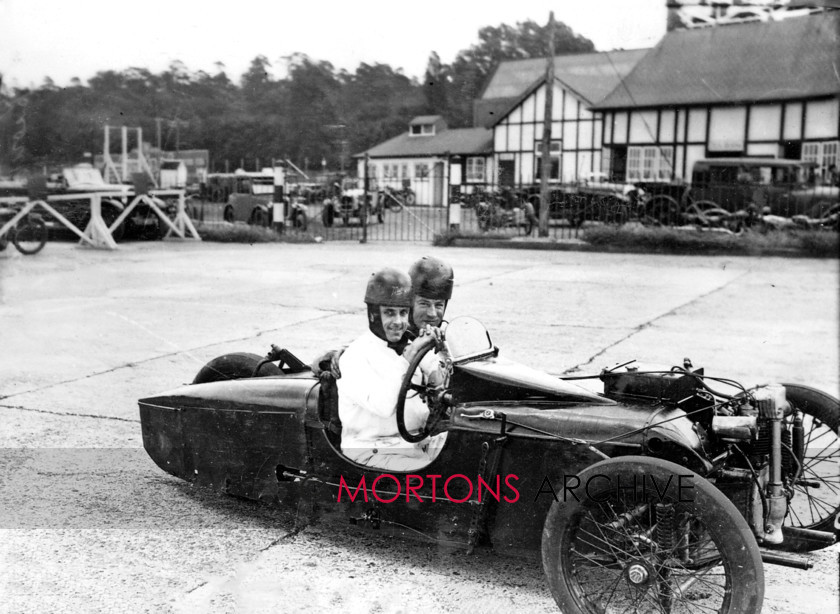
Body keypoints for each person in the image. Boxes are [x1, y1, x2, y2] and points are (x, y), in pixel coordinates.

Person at [336, 268, 447, 470]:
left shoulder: (407, 343)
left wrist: (440, 354)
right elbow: (383, 405)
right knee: (439, 478)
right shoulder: (355, 356)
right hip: (371, 449)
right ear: (372, 315)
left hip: (414, 441)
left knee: (468, 450)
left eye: (403, 313)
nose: (398, 322)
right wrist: (408, 358)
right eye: (389, 313)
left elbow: (440, 380)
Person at [311, 255, 455, 378]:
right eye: (424, 304)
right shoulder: (394, 336)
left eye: (439, 305)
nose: (432, 313)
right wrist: (336, 356)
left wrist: (444, 350)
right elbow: (317, 363)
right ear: (409, 303)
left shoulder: (449, 338)